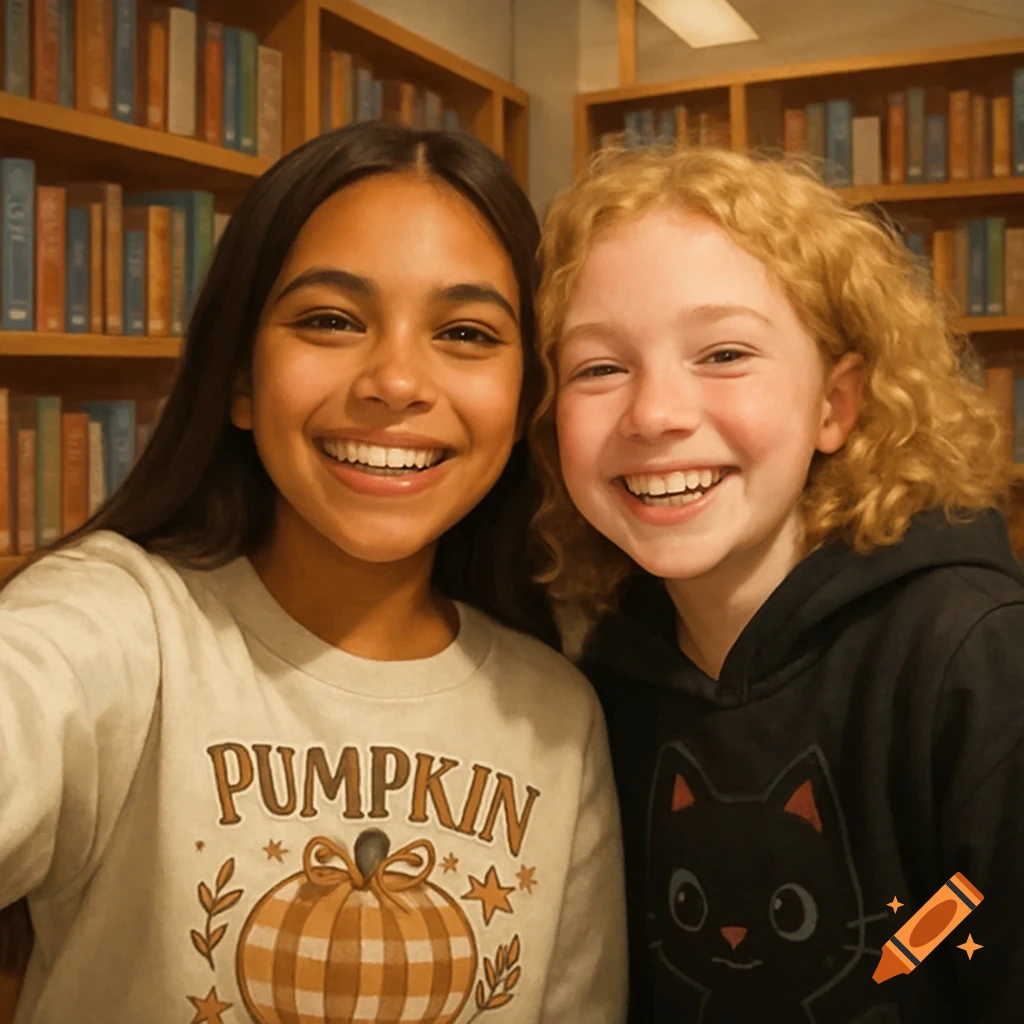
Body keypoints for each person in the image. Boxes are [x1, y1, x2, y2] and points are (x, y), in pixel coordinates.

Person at [0, 123, 627, 1023]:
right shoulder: (125, 623)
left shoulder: (558, 713)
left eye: (464, 331)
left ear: (529, 397)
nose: (395, 381)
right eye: (330, 320)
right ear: (240, 380)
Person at [528, 143, 1024, 1024]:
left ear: (835, 405)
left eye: (723, 354)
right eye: (600, 368)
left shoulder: (976, 662)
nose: (655, 414)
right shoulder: (599, 683)